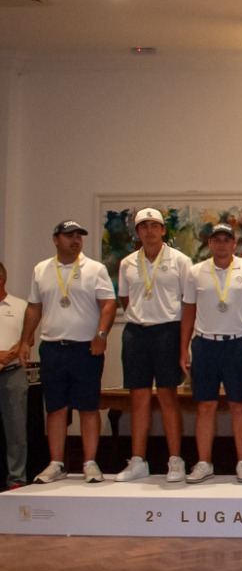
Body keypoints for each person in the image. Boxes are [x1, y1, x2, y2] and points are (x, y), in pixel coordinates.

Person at [18, 220, 117, 484]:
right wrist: (25, 340)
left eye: (79, 236)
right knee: (56, 408)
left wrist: (101, 335)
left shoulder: (95, 269)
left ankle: (90, 462)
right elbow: (34, 308)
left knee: (88, 407)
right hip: (52, 347)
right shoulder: (41, 269)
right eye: (69, 236)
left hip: (86, 348)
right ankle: (56, 463)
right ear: (55, 239)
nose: (75, 240)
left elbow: (108, 304)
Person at [180, 222, 242, 483]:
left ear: (234, 244)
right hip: (205, 344)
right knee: (205, 406)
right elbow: (188, 312)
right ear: (210, 244)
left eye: (226, 240)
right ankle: (204, 462)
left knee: (239, 406)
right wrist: (183, 348)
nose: (221, 244)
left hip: (238, 343)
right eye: (216, 239)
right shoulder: (195, 272)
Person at [113, 208, 193, 484]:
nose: (149, 230)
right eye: (143, 226)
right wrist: (142, 318)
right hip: (136, 333)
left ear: (163, 230)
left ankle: (175, 460)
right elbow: (126, 300)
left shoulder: (180, 261)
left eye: (154, 225)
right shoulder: (127, 264)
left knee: (168, 397)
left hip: (168, 331)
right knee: (139, 398)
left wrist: (183, 343)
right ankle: (138, 461)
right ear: (137, 233)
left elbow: (188, 303)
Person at [0, 262, 31, 488]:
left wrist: (6, 356)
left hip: (13, 372)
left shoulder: (21, 306)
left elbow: (27, 340)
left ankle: (16, 479)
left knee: (16, 429)